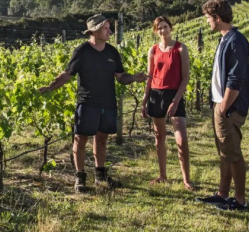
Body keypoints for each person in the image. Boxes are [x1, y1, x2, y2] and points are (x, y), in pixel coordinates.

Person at [39, 14, 147, 193]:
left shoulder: (112, 52)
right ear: (94, 31)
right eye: (106, 28)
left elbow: (120, 77)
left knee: (102, 138)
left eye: (109, 28)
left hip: (108, 102)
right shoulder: (82, 51)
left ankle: (100, 175)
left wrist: (134, 78)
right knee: (80, 139)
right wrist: (51, 87)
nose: (110, 31)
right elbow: (68, 74)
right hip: (87, 102)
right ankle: (80, 177)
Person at [197, 0, 249, 211]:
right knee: (224, 151)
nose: (207, 23)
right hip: (220, 104)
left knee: (233, 154)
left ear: (218, 18)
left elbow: (235, 79)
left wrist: (224, 106)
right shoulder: (225, 39)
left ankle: (239, 201)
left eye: (208, 19)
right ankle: (222, 194)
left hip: (227, 107)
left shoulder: (236, 41)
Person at [141, 16, 194, 190]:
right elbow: (150, 76)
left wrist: (175, 101)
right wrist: (144, 99)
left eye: (165, 27)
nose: (163, 31)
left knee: (182, 139)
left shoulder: (180, 49)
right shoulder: (153, 50)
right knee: (159, 137)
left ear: (171, 28)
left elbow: (185, 78)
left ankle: (186, 179)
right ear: (156, 31)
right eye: (159, 28)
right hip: (156, 94)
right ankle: (163, 175)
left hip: (174, 94)